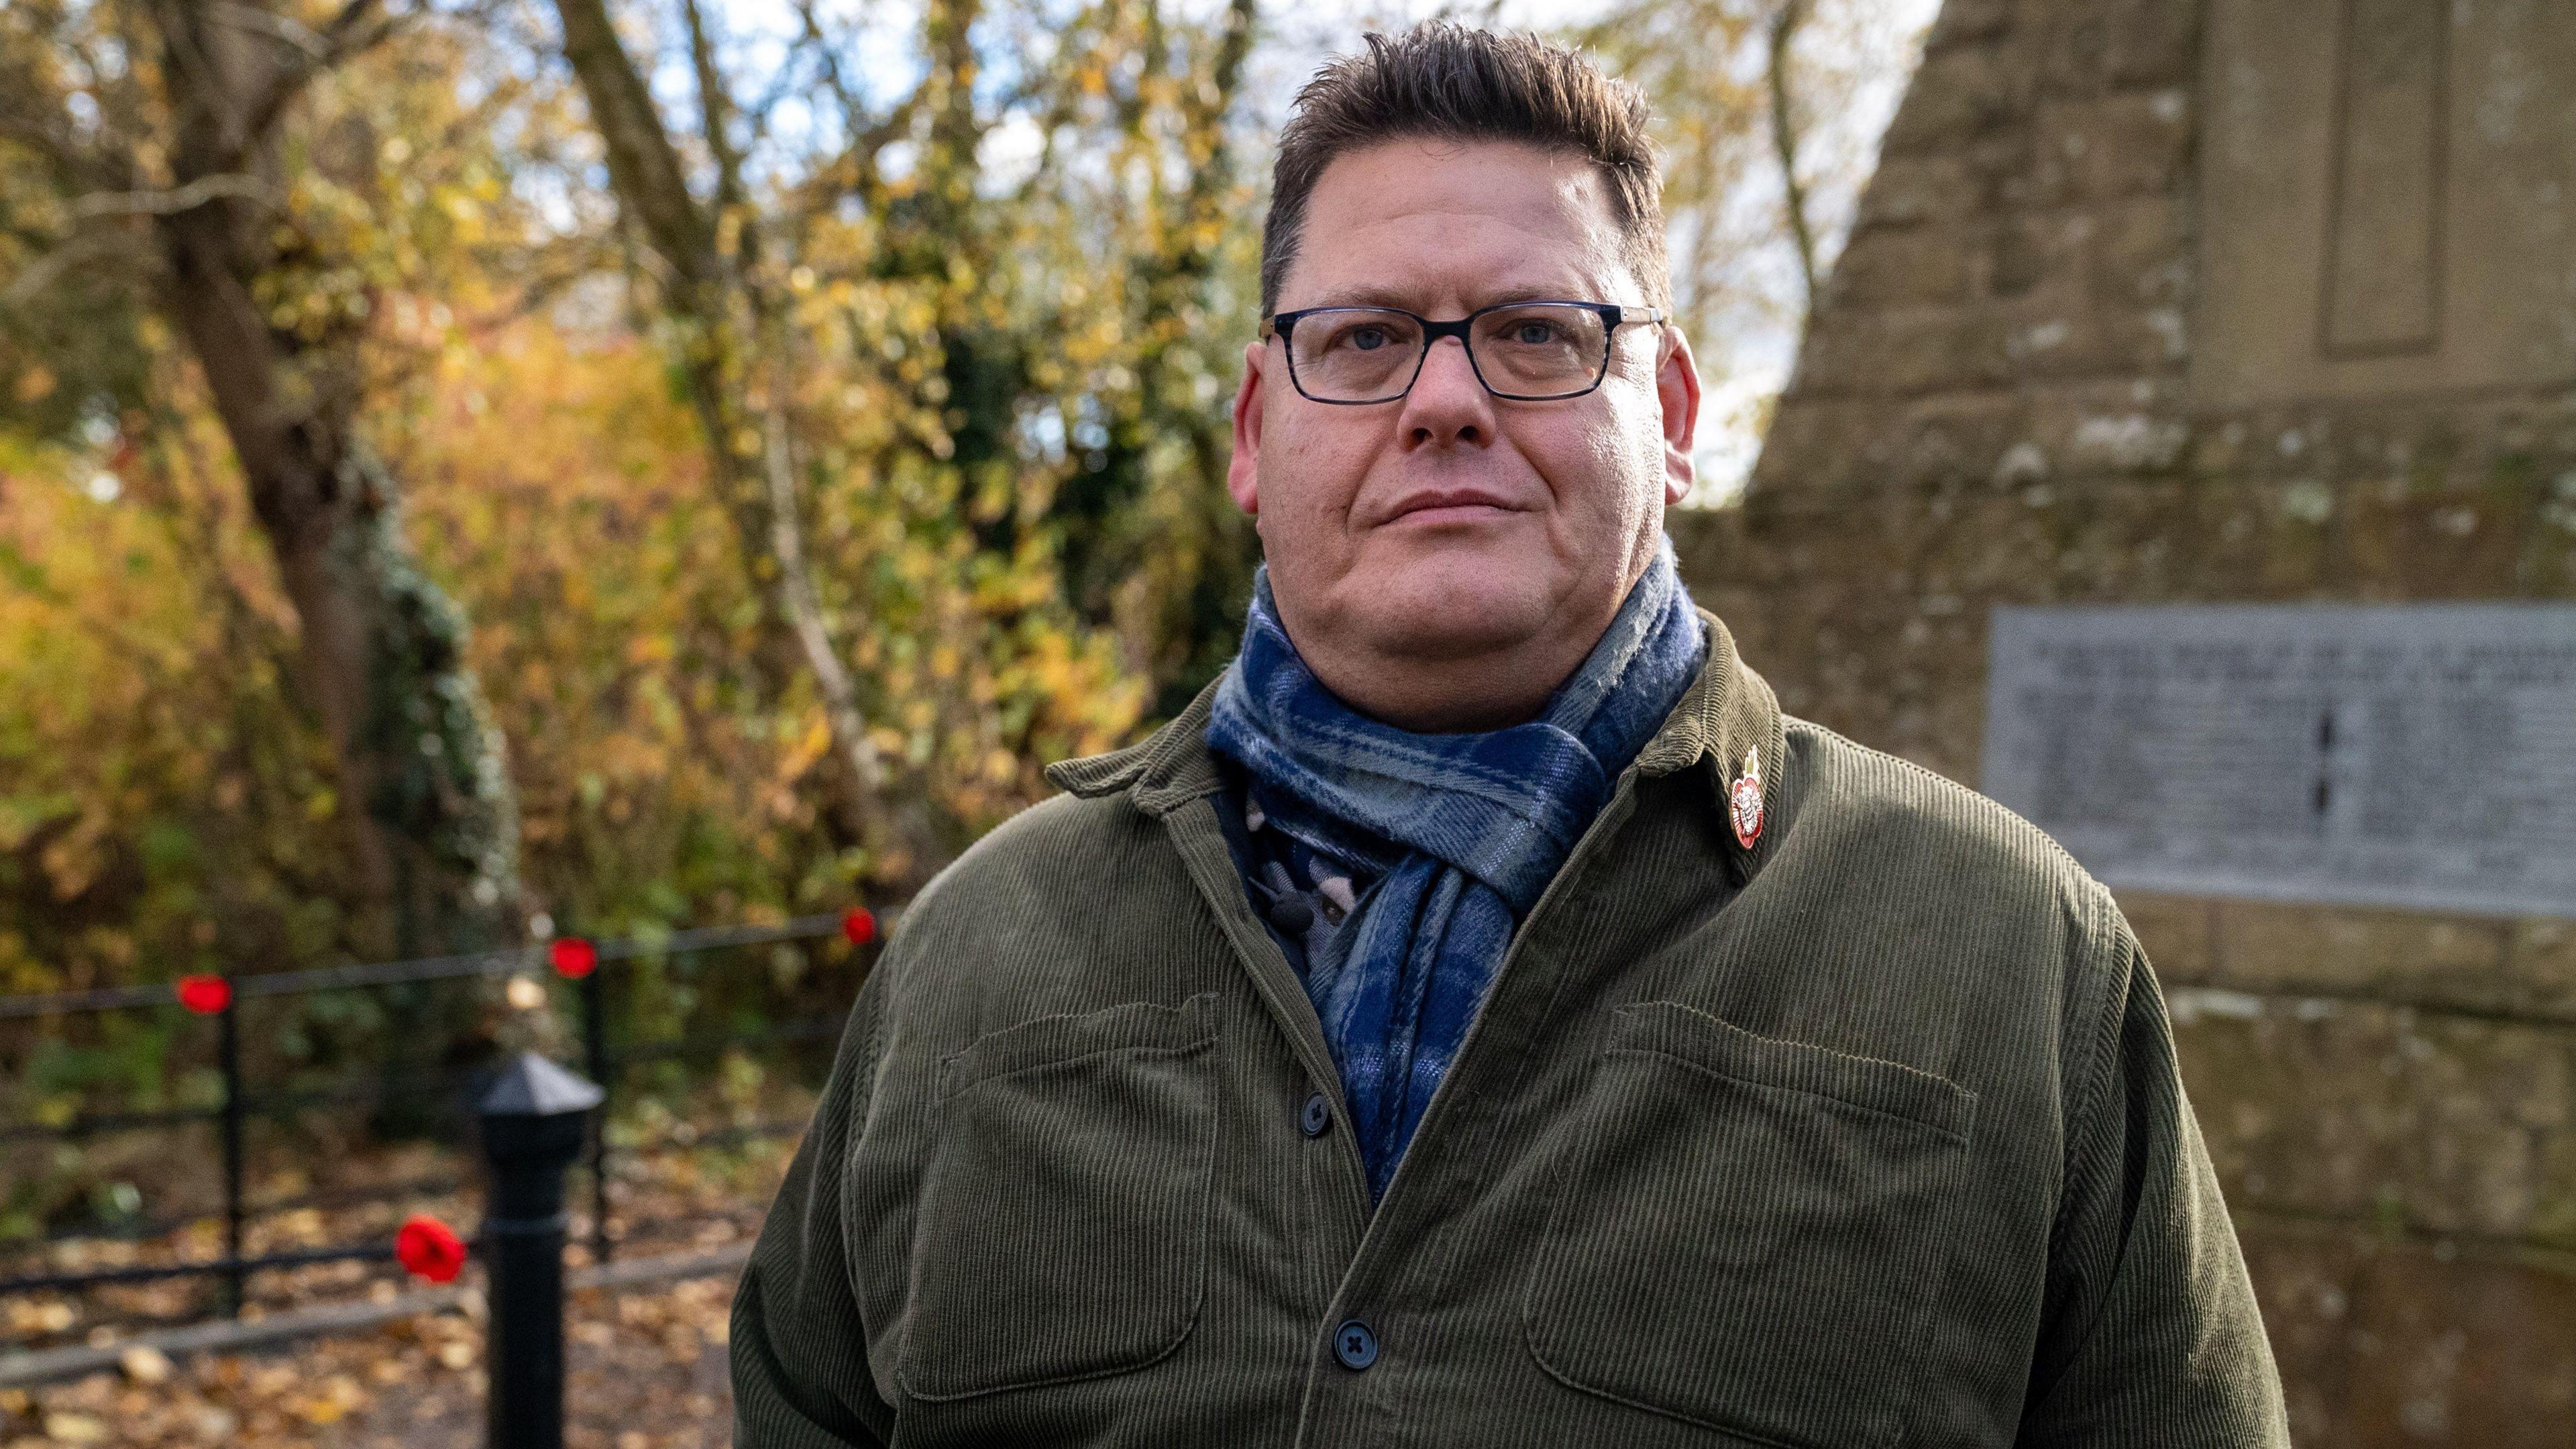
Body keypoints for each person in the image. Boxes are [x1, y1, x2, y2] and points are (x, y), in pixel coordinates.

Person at [730, 21, 2289, 1448]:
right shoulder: (978, 950)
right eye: (1360, 341)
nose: (1446, 402)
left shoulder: (2007, 957)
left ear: (1671, 415)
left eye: (1538, 334)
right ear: (1255, 437)